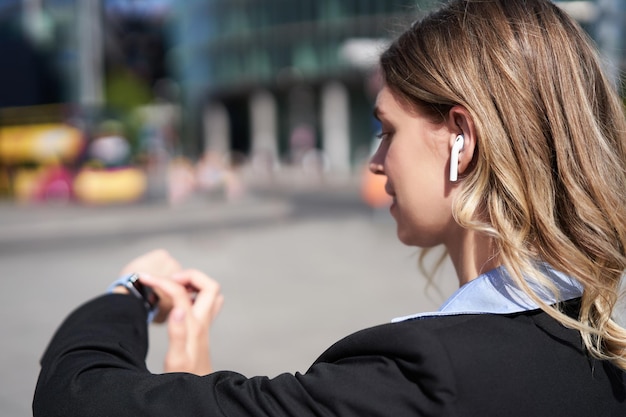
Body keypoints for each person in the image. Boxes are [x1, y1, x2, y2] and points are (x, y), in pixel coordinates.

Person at [33, 0, 626, 415]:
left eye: (386, 131)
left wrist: (128, 294)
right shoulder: (596, 351)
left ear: (460, 139)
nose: (376, 164)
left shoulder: (426, 376)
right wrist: (197, 390)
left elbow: (78, 398)